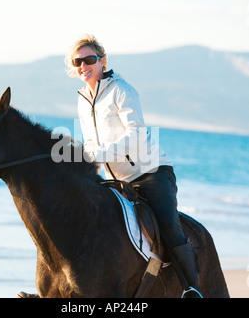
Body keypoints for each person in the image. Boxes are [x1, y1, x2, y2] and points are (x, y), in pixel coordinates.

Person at [65, 34, 202, 298]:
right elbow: (91, 143)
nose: (84, 65)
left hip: (151, 172)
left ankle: (192, 288)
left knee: (168, 225)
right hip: (116, 178)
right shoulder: (83, 98)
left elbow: (136, 135)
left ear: (102, 61)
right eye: (78, 61)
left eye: (89, 59)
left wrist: (99, 155)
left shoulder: (122, 90)